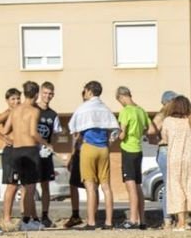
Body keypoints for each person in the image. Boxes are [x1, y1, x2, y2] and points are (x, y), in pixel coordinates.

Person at [69, 80, 119, 230]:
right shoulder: (105, 108)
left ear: (89, 91)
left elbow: (73, 128)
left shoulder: (83, 108)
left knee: (90, 186)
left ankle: (91, 222)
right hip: (103, 148)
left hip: (89, 147)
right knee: (106, 186)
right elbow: (115, 130)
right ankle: (109, 222)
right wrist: (109, 142)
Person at [1, 81, 45, 231]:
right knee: (29, 189)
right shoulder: (34, 111)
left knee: (21, 187)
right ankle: (26, 221)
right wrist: (47, 143)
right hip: (30, 150)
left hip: (16, 150)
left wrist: (10, 139)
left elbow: (6, 130)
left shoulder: (14, 110)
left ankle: (25, 220)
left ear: (24, 93)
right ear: (37, 94)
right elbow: (33, 133)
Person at [116, 86, 156, 230]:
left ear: (121, 97)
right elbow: (152, 129)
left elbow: (122, 134)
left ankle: (132, 219)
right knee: (137, 185)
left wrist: (115, 136)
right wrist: (140, 132)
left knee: (130, 184)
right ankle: (142, 219)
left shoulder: (125, 111)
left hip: (128, 148)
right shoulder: (141, 110)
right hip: (138, 149)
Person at [160, 95, 191, 231]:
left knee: (176, 188)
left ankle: (181, 223)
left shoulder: (168, 121)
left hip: (175, 157)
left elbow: (165, 138)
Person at [151, 89, 178, 224]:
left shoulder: (172, 116)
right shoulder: (162, 115)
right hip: (166, 150)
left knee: (174, 186)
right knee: (169, 186)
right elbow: (150, 130)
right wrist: (160, 137)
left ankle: (172, 217)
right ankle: (167, 218)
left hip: (171, 151)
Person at [37, 81, 61, 227]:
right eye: (45, 93)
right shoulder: (33, 110)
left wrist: (51, 145)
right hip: (32, 152)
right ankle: (28, 215)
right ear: (40, 93)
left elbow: (57, 134)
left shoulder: (53, 115)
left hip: (45, 154)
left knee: (45, 185)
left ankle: (45, 215)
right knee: (28, 186)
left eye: (50, 93)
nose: (47, 96)